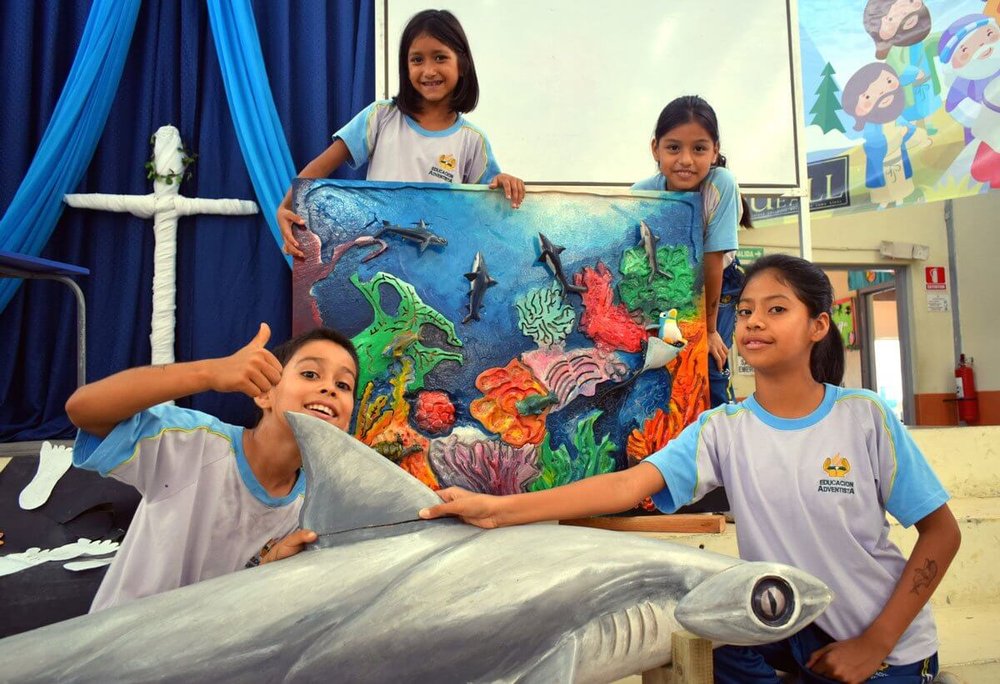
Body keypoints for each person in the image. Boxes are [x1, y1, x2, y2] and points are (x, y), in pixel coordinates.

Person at [420, 254, 961, 683]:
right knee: (698, 623)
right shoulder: (723, 428)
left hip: (887, 649)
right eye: (745, 310)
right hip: (786, 631)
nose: (753, 322)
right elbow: (628, 485)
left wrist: (875, 646)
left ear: (819, 325)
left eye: (776, 309)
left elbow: (942, 533)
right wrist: (500, 510)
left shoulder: (863, 416)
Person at [64, 324, 359, 612]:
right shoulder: (192, 444)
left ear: (347, 423)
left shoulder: (316, 511)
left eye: (343, 385)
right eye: (310, 374)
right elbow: (83, 409)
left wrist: (267, 575)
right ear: (264, 393)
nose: (328, 388)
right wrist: (210, 372)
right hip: (116, 648)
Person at [277, 8, 525, 258]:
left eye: (440, 57)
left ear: (462, 64)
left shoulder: (473, 140)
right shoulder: (381, 116)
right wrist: (286, 207)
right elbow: (319, 168)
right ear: (405, 67)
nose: (428, 70)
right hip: (376, 256)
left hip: (436, 266)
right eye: (417, 60)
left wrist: (505, 182)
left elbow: (489, 206)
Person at [631, 95, 753, 407]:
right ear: (655, 148)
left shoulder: (721, 184)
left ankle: (722, 445)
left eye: (699, 148)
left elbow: (713, 261)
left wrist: (709, 331)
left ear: (715, 151)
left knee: (709, 367)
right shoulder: (641, 193)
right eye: (674, 148)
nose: (686, 159)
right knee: (663, 368)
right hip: (670, 288)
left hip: (718, 286)